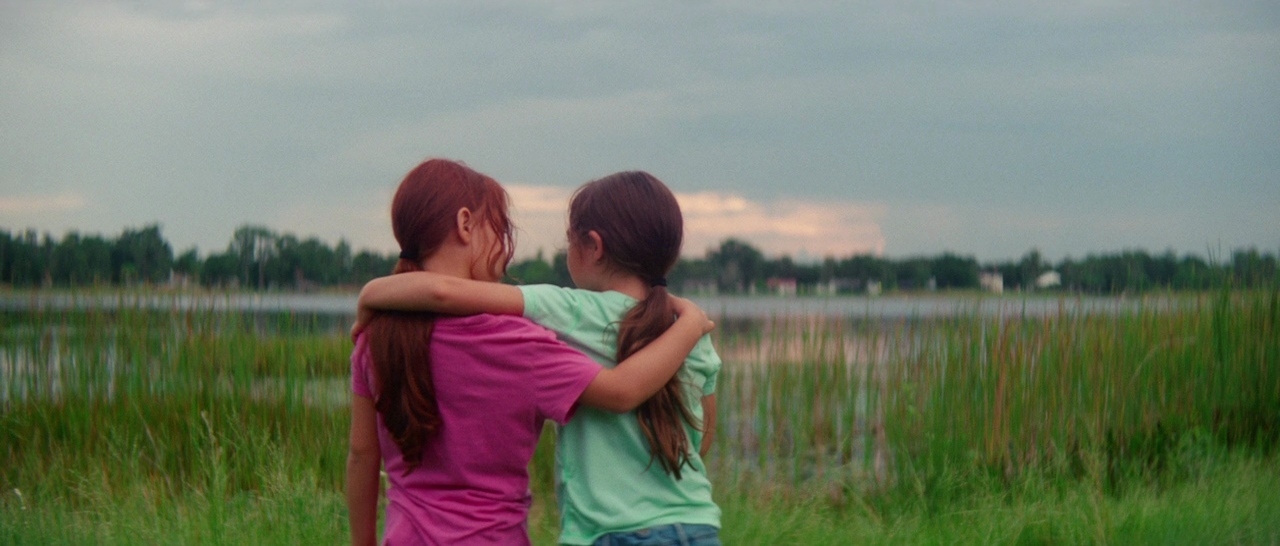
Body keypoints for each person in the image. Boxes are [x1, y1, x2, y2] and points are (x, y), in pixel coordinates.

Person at [345, 160, 714, 546]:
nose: (505, 252)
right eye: (500, 229)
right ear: (466, 224)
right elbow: (625, 393)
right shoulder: (521, 342)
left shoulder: (374, 339)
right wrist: (689, 324)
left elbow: (361, 456)